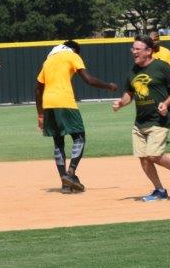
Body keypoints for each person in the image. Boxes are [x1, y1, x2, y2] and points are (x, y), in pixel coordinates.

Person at [112, 35, 170, 201]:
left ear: (148, 51)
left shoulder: (161, 66)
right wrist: (121, 103)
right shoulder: (133, 71)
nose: (134, 52)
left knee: (154, 155)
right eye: (133, 48)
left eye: (137, 49)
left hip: (160, 119)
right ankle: (159, 190)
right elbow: (129, 94)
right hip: (140, 121)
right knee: (144, 158)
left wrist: (167, 103)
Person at [35, 40, 118, 193]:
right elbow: (88, 79)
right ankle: (71, 174)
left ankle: (65, 184)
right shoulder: (72, 55)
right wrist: (108, 86)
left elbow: (38, 88)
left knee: (58, 143)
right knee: (79, 138)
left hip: (48, 104)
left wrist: (40, 114)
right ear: (75, 50)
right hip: (65, 102)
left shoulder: (48, 60)